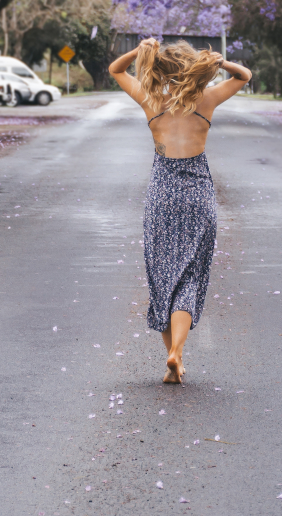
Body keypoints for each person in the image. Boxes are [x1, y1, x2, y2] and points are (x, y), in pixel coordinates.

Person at [108, 38, 252, 384]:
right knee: (191, 273)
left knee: (163, 275)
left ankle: (173, 356)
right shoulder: (207, 98)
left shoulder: (151, 98)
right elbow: (244, 76)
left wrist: (143, 51)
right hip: (198, 194)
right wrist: (219, 63)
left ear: (162, 68)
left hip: (162, 193)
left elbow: (116, 69)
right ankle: (178, 355)